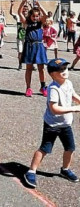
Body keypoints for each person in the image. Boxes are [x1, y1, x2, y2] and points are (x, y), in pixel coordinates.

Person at [24, 58, 80, 188]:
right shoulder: (53, 88)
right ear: (52, 74)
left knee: (70, 148)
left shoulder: (68, 83)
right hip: (52, 125)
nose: (64, 71)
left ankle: (65, 169)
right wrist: (74, 108)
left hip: (66, 124)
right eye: (60, 70)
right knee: (45, 148)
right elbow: (54, 109)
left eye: (65, 68)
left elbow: (73, 95)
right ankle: (31, 171)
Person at [18, 0, 48, 97]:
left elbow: (46, 15)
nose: (35, 17)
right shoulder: (26, 23)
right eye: (33, 16)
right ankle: (28, 88)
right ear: (30, 16)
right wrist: (23, 2)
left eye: (37, 16)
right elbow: (19, 12)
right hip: (29, 46)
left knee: (41, 68)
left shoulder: (40, 23)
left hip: (39, 46)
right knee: (29, 68)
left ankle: (43, 87)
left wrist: (40, 6)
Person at [10, 0, 28, 70]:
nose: (24, 11)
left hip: (27, 38)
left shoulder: (30, 18)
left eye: (26, 10)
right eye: (23, 10)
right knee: (20, 52)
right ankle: (20, 64)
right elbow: (11, 13)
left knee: (28, 53)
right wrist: (12, 5)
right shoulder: (18, 17)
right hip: (20, 38)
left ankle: (31, 65)